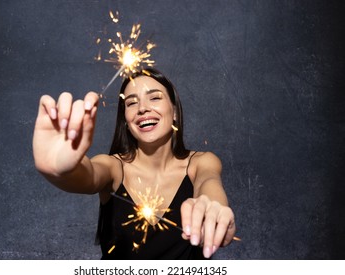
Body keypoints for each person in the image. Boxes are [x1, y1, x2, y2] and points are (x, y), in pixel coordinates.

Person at [32, 68, 236, 259]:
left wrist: (213, 205)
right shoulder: (113, 167)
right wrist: (61, 170)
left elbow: (209, 182)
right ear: (126, 121)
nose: (142, 109)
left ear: (174, 112)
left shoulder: (201, 162)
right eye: (131, 103)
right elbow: (89, 175)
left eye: (154, 98)